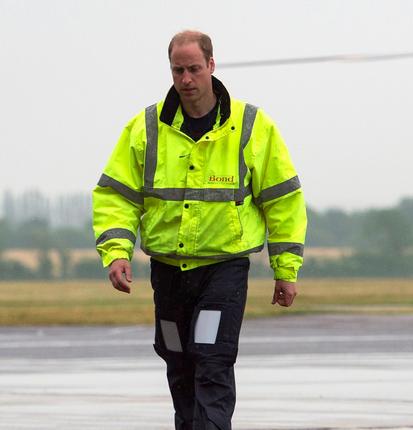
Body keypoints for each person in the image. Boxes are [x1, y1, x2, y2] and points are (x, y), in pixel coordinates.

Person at [92, 30, 307, 430]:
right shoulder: (146, 128)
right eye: (178, 70)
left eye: (194, 69)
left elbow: (283, 201)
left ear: (211, 65)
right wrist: (117, 252)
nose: (186, 79)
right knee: (178, 361)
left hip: (221, 271)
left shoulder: (251, 126)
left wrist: (286, 270)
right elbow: (116, 195)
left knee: (211, 360)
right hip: (169, 273)